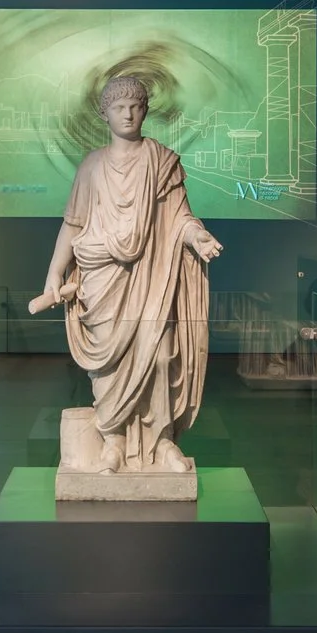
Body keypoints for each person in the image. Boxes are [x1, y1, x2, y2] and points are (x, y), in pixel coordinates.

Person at [29, 73, 222, 476]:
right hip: (102, 277)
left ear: (146, 110)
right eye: (119, 107)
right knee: (109, 366)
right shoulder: (92, 165)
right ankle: (113, 440)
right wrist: (54, 272)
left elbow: (179, 217)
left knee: (161, 353)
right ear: (105, 114)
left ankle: (163, 441)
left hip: (152, 274)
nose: (128, 114)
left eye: (136, 106)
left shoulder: (163, 161)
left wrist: (197, 237)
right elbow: (74, 223)